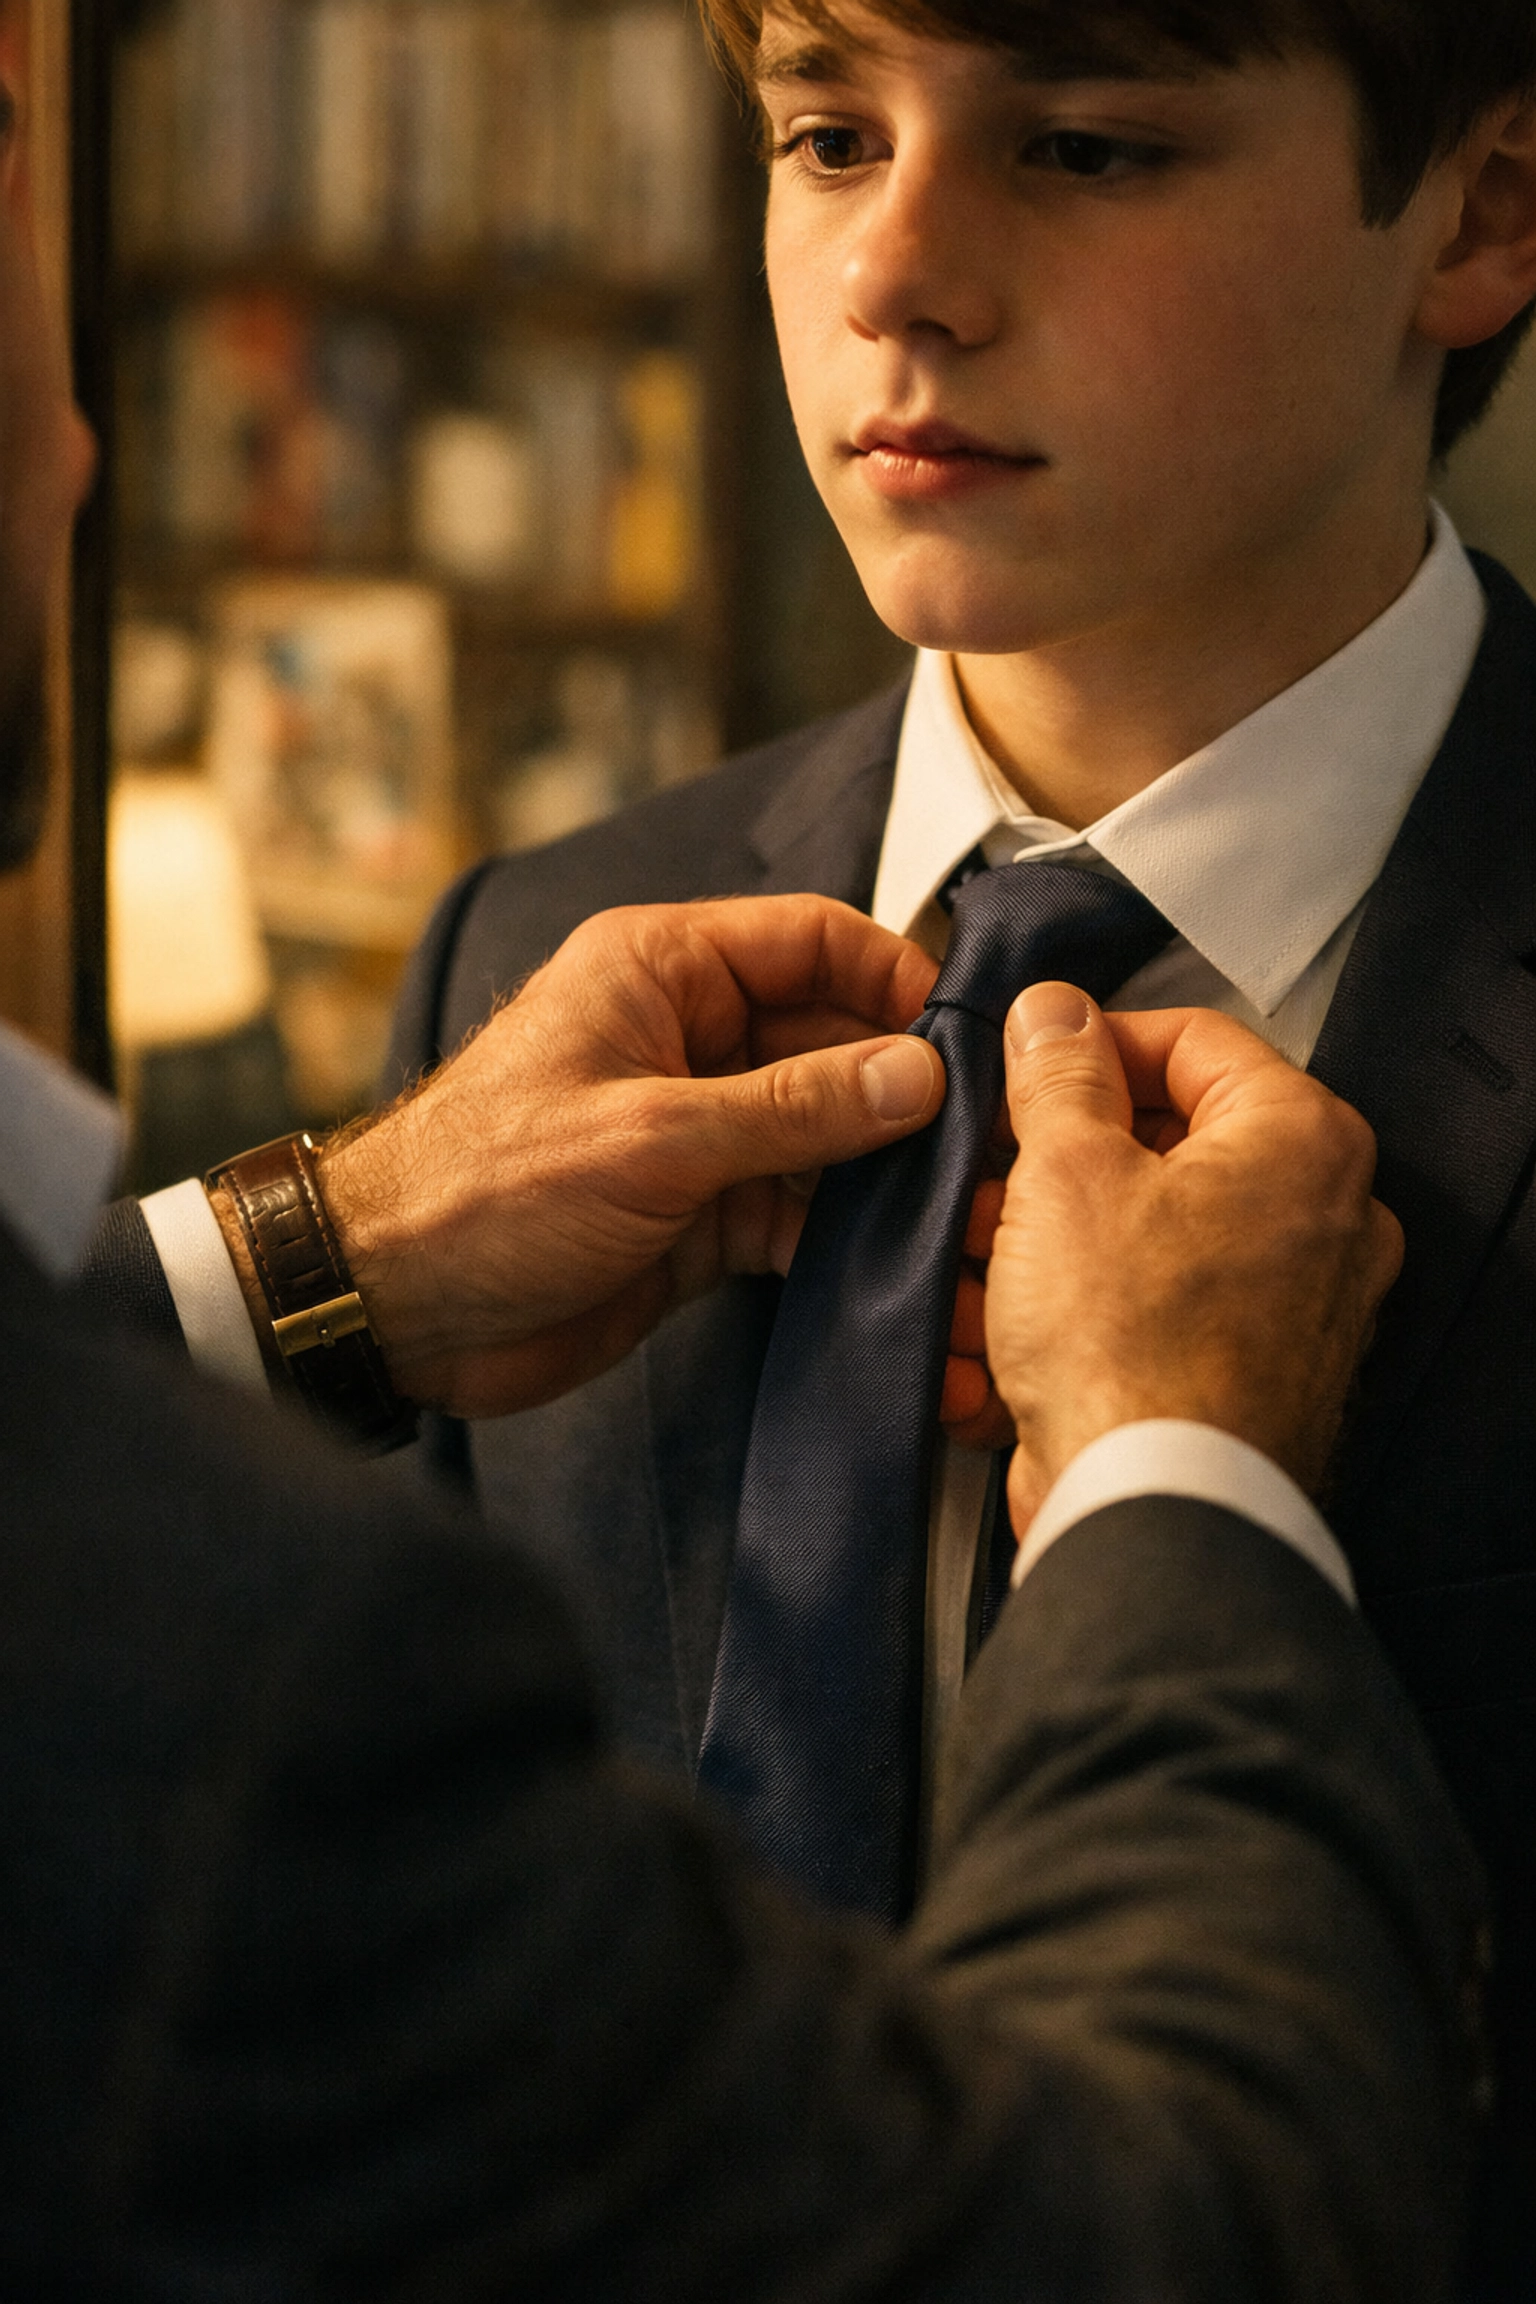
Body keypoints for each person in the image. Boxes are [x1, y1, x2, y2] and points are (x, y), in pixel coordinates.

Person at [291, 6, 1531, 2277]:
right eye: (829, 135)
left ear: (1481, 208)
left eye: (1084, 147)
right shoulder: (525, 953)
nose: (893, 276)